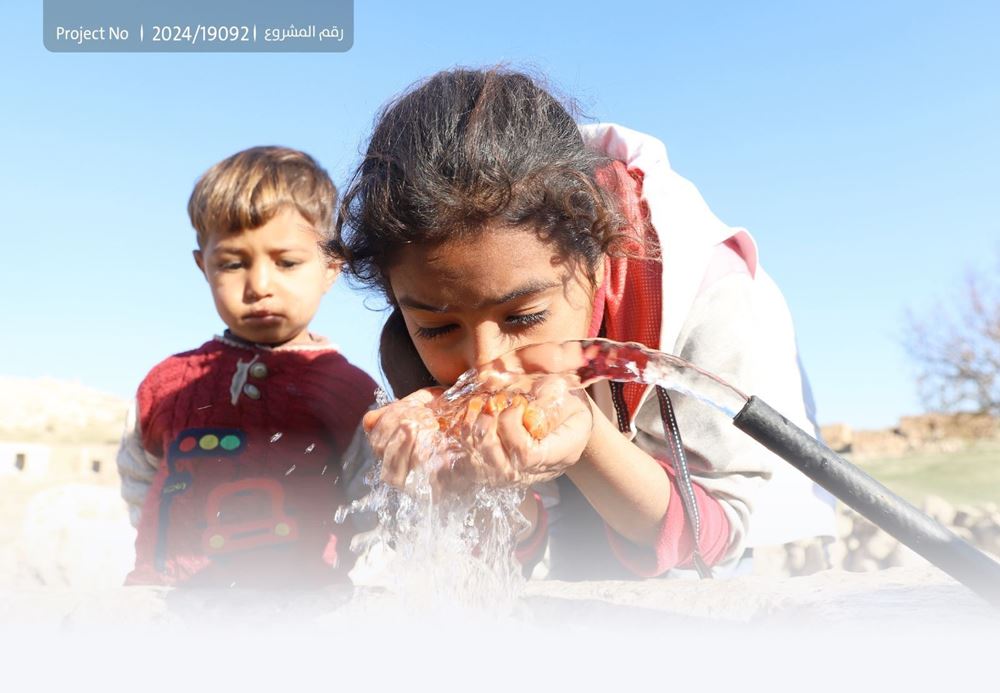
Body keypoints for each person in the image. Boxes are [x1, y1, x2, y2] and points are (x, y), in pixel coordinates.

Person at [336, 68, 835, 581]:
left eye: (524, 316)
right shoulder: (414, 340)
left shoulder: (704, 292)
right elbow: (508, 558)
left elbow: (717, 533)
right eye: (438, 329)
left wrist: (587, 436)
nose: (487, 364)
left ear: (597, 263)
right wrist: (467, 482)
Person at [116, 146, 378, 588]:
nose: (259, 285)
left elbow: (369, 505)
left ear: (332, 265)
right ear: (204, 267)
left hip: (296, 618)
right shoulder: (164, 385)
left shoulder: (350, 394)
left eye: (287, 263)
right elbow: (138, 477)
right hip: (166, 612)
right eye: (233, 263)